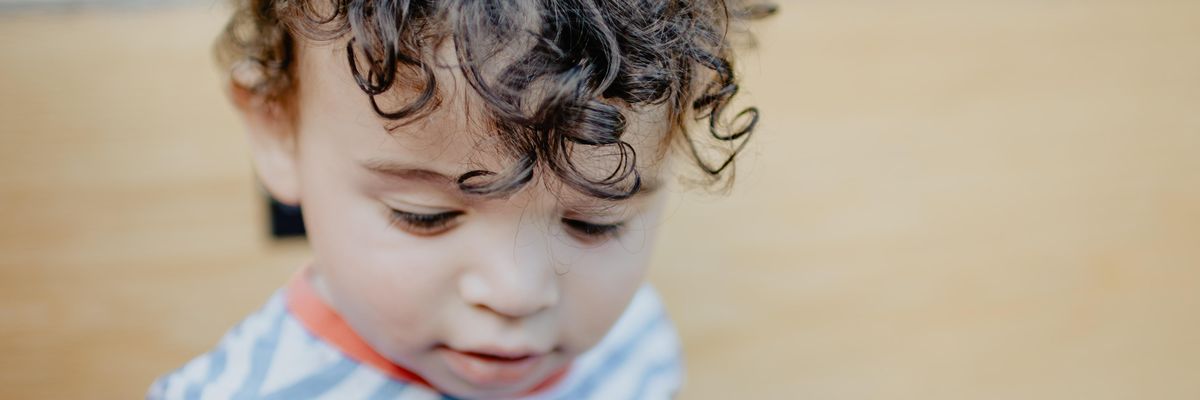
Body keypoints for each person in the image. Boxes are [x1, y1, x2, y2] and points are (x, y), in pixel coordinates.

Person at [149, 0, 772, 398]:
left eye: (593, 224)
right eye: (426, 216)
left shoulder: (632, 343)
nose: (517, 293)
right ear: (279, 132)